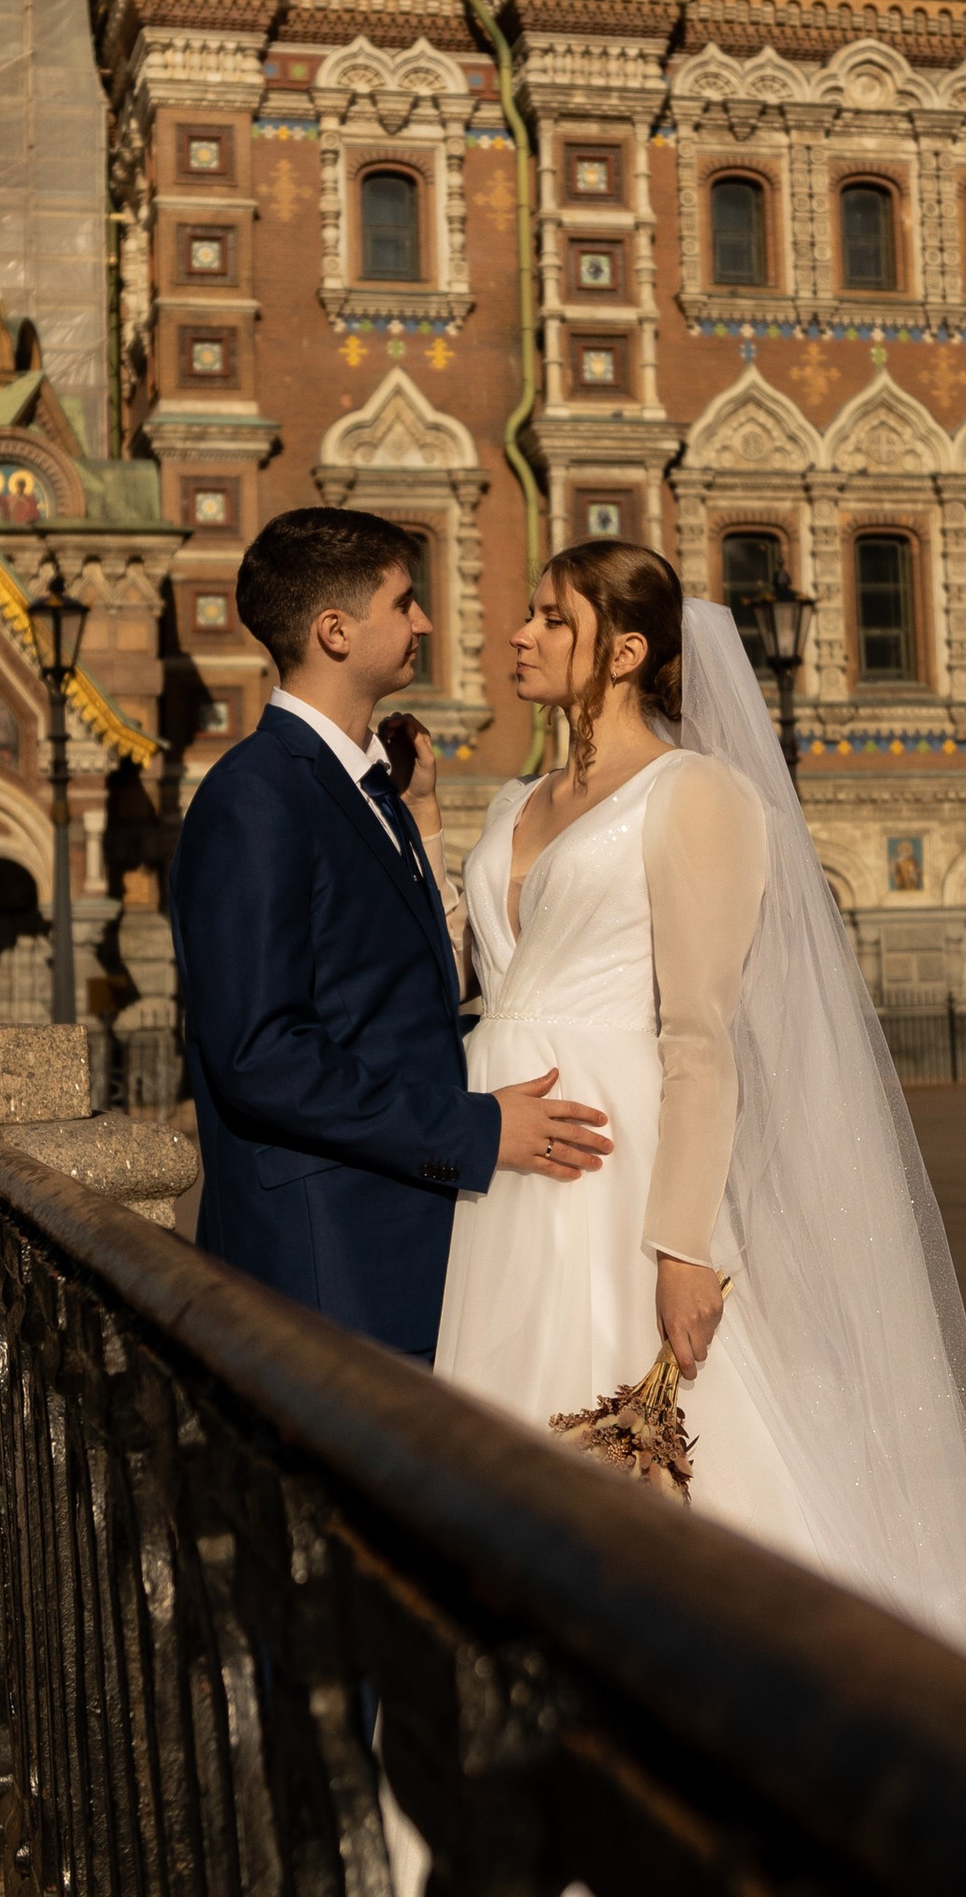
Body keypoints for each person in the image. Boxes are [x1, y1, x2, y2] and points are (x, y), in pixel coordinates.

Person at [431, 541, 966, 1699]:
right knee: (505, 1441)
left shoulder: (696, 796)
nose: (516, 635)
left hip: (618, 1165)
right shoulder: (516, 799)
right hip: (503, 1161)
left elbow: (700, 1035)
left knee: (655, 1459)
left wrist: (685, 1245)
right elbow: (489, 974)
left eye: (548, 618)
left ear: (623, 653)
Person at [169, 506, 611, 1359]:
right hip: (327, 1264)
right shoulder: (256, 796)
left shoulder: (373, 785)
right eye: (403, 602)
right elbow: (263, 1055)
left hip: (397, 1242)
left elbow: (394, 992)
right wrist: (478, 1131)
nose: (426, 621)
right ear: (335, 631)